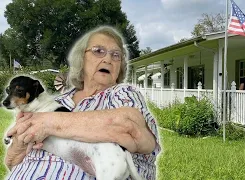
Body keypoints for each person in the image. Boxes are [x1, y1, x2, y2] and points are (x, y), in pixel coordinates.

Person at [4, 26, 161, 180]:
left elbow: (132, 129)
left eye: (116, 55)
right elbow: (12, 163)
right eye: (99, 51)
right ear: (81, 59)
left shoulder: (123, 93)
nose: (108, 59)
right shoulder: (56, 101)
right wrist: (19, 146)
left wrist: (48, 122)